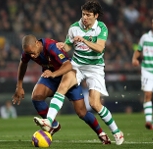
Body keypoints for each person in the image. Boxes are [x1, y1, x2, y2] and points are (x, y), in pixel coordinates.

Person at [34, 1, 124, 145]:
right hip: (77, 65)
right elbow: (69, 45)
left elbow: (100, 48)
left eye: (88, 15)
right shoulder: (74, 28)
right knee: (63, 86)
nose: (85, 18)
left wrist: (84, 40)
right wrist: (64, 46)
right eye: (83, 14)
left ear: (96, 16)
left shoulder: (101, 28)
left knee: (94, 104)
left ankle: (116, 131)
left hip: (95, 68)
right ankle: (48, 121)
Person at [12, 34, 111, 144]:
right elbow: (23, 63)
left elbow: (68, 65)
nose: (33, 56)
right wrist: (19, 86)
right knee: (36, 96)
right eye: (29, 54)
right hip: (51, 77)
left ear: (37, 43)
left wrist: (54, 74)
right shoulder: (28, 51)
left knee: (82, 112)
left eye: (32, 52)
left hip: (67, 77)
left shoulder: (51, 46)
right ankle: (53, 125)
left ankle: (101, 133)